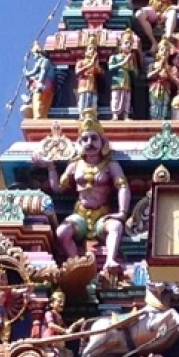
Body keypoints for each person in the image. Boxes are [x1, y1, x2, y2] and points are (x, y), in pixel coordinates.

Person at [40, 109, 130, 277]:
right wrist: (51, 167)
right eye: (85, 139)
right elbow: (58, 188)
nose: (90, 143)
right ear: (79, 143)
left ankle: (110, 260)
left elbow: (123, 187)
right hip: (80, 214)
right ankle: (76, 263)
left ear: (102, 142)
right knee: (62, 232)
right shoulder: (75, 165)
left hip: (102, 214)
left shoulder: (110, 164)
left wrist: (122, 213)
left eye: (94, 138)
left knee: (116, 227)